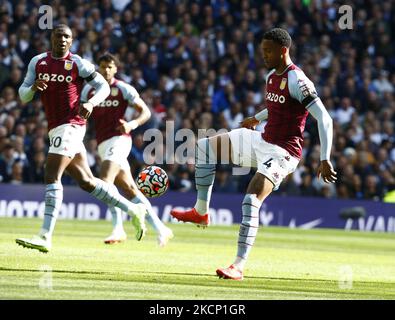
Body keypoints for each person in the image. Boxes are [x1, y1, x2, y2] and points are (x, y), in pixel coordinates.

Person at [171, 28, 337, 280]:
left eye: (268, 51)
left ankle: (237, 265)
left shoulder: (298, 80)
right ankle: (201, 211)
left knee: (251, 199)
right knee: (204, 147)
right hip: (262, 139)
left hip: (283, 151)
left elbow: (324, 118)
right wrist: (255, 118)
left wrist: (325, 157)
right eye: (262, 51)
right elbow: (277, 107)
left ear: (283, 51)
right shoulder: (272, 76)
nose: (264, 55)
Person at [15, 24, 148, 253]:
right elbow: (23, 95)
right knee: (86, 181)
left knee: (51, 174)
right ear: (52, 38)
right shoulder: (38, 62)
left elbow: (104, 87)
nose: (63, 40)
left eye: (67, 36)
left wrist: (90, 102)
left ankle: (45, 236)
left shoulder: (78, 63)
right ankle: (133, 209)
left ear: (72, 40)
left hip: (72, 125)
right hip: (55, 128)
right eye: (59, 36)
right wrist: (33, 88)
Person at [81, 53, 173, 246]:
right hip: (102, 144)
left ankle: (118, 228)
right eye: (103, 66)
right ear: (98, 67)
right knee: (130, 189)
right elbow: (81, 114)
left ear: (115, 69)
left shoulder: (122, 88)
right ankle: (161, 228)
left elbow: (146, 112)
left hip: (120, 139)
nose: (106, 70)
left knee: (105, 181)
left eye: (110, 66)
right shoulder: (89, 90)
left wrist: (131, 125)